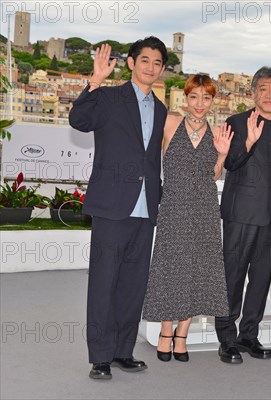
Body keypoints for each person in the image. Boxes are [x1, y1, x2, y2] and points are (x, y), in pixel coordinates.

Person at [68, 37, 168, 380]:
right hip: (112, 207)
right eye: (145, 60)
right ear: (130, 62)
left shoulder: (162, 108)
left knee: (132, 285)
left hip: (145, 210)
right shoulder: (109, 97)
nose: (150, 67)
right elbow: (79, 120)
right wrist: (95, 80)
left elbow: (151, 159)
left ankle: (124, 351)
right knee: (103, 283)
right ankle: (100, 356)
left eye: (157, 63)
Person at [142, 74, 232, 362]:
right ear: (186, 97)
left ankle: (182, 335)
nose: (200, 104)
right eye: (194, 97)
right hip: (173, 205)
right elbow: (147, 156)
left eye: (206, 98)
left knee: (196, 270)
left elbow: (215, 175)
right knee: (170, 268)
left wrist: (221, 156)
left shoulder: (217, 132)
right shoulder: (170, 123)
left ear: (213, 100)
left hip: (205, 208)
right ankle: (165, 332)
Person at [215, 67, 271, 364]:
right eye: (263, 88)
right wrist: (248, 141)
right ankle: (226, 338)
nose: (270, 94)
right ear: (253, 93)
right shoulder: (235, 122)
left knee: (261, 279)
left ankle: (248, 335)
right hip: (241, 214)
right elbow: (231, 164)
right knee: (232, 277)